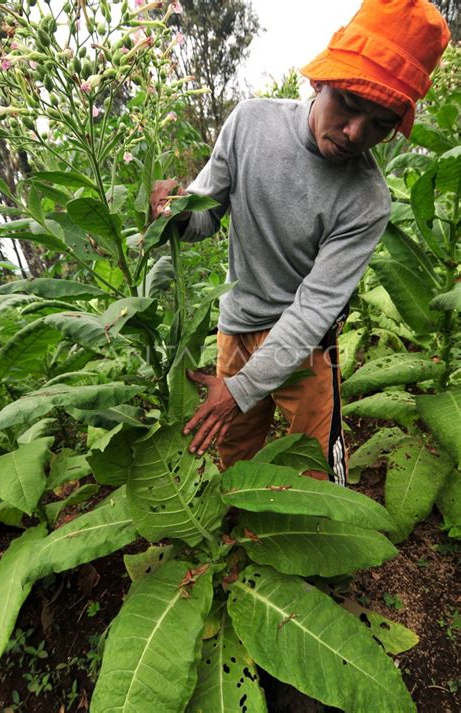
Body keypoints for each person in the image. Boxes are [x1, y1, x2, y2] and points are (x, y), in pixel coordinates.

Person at [151, 0, 450, 481]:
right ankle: (242, 538)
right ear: (320, 81)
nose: (356, 133)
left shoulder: (366, 198)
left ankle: (324, 536)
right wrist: (174, 211)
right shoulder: (250, 124)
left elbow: (314, 309)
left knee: (317, 464)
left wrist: (243, 386)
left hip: (308, 344)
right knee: (234, 453)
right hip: (237, 323)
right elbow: (202, 221)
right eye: (350, 106)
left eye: (380, 124)